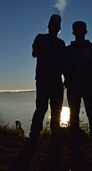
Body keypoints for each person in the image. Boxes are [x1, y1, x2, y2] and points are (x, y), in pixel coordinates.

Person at [65, 21, 92, 148]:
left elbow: (63, 68)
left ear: (73, 32)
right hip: (88, 86)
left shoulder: (68, 50)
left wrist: (66, 79)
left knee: (76, 113)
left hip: (75, 87)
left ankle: (76, 141)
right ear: (86, 31)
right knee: (90, 113)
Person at [28, 14, 65, 143]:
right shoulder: (44, 39)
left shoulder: (58, 43)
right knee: (45, 108)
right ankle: (38, 134)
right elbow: (34, 53)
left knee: (49, 108)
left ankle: (41, 135)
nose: (54, 27)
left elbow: (63, 63)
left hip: (49, 80)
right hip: (48, 80)